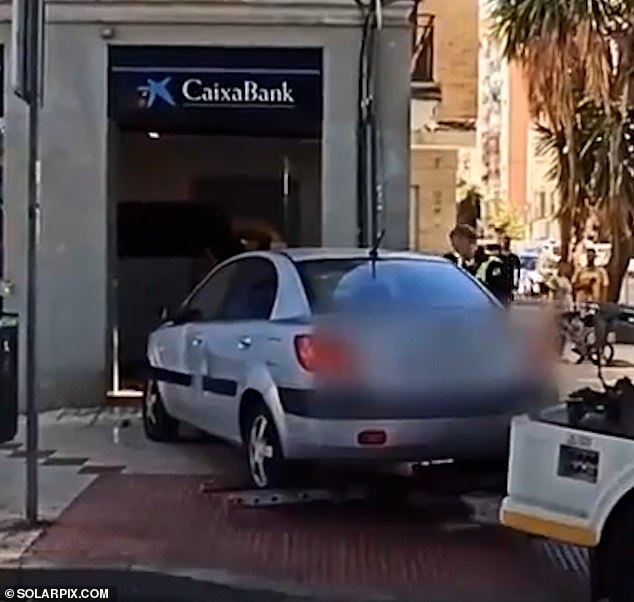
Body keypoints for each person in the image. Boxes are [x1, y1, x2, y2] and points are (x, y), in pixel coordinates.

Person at [444, 224, 507, 303]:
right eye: (453, 246)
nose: (455, 250)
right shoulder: (454, 263)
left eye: (458, 246)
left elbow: (500, 295)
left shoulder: (493, 264)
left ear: (471, 243)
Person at [497, 235, 521, 304]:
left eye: (507, 242)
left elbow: (516, 271)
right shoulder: (497, 257)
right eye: (504, 242)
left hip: (509, 285)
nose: (505, 244)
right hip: (498, 284)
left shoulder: (513, 258)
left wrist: (516, 284)